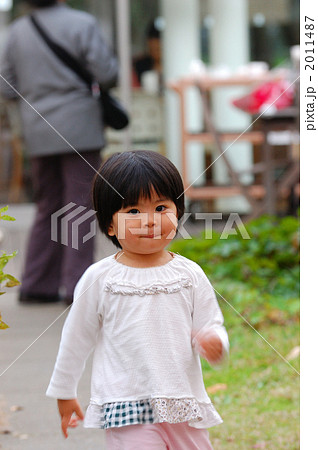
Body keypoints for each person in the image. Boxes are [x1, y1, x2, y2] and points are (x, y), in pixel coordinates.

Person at [46, 150, 229, 449]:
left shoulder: (190, 274)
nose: (149, 221)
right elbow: (75, 339)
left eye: (160, 207)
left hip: (183, 400)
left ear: (177, 212)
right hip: (127, 405)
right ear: (109, 224)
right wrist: (64, 392)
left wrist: (215, 343)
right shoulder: (100, 279)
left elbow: (211, 324)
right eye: (133, 211)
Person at [0, 0, 118, 304]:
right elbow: (106, 73)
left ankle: (38, 284)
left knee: (47, 204)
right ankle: (78, 286)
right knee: (79, 205)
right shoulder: (82, 23)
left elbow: (6, 85)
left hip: (37, 126)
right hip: (80, 124)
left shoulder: (16, 31)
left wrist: (34, 95)